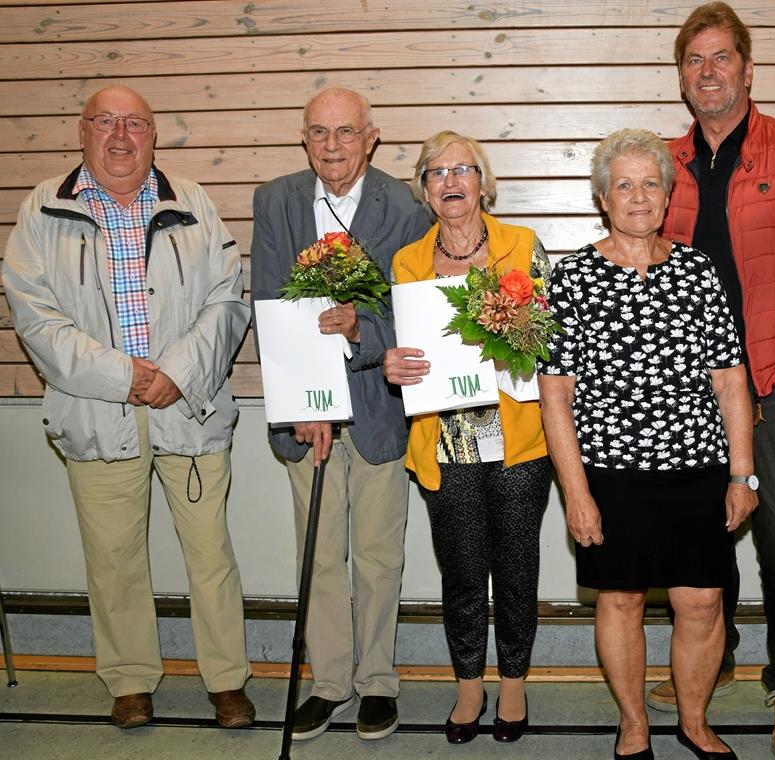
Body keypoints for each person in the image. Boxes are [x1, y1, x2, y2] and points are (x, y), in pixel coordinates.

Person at [2, 85, 254, 729]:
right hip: (96, 409)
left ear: (153, 136)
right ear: (82, 132)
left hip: (188, 406)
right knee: (112, 557)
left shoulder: (192, 203)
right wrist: (124, 376)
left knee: (211, 554)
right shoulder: (42, 212)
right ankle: (131, 681)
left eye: (135, 124)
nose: (120, 136)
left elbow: (228, 299)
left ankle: (226, 680)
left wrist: (176, 372)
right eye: (106, 123)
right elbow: (36, 319)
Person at [654, 4, 775, 758]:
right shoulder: (665, 160)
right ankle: (715, 654)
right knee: (703, 538)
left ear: (747, 68)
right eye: (694, 60)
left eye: (721, 57)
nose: (708, 71)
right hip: (688, 387)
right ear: (682, 77)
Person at [538, 128, 758, 760]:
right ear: (603, 198)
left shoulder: (699, 271)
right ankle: (633, 723)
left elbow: (731, 380)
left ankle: (693, 720)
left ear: (668, 195)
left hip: (698, 467)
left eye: (650, 183)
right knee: (623, 597)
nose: (638, 197)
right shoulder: (572, 277)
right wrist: (575, 493)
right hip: (610, 471)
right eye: (624, 185)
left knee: (702, 600)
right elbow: (555, 396)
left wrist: (743, 475)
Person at [249, 86, 429, 742]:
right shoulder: (277, 200)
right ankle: (329, 681)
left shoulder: (406, 206)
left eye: (345, 133)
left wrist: (361, 330)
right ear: (304, 138)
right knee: (320, 553)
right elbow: (268, 300)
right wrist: (305, 396)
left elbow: (411, 311)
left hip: (379, 406)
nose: (332, 146)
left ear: (371, 136)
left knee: (378, 555)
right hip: (309, 414)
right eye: (319, 133)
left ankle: (378, 680)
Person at [383, 131, 552, 745]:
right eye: (436, 172)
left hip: (518, 442)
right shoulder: (407, 261)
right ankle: (467, 686)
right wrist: (392, 364)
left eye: (463, 170)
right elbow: (405, 349)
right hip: (445, 443)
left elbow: (553, 342)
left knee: (515, 569)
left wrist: (513, 333)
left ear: (484, 181)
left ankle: (512, 683)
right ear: (424, 190)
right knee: (460, 572)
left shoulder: (522, 247)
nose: (451, 181)